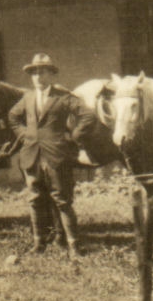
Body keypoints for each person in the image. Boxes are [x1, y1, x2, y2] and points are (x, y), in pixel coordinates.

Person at [8, 53, 96, 258]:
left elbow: (88, 115)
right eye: (35, 73)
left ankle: (73, 245)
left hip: (56, 156)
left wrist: (73, 137)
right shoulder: (28, 97)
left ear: (51, 74)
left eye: (43, 72)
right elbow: (13, 117)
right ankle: (39, 243)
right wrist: (25, 134)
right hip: (31, 156)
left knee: (62, 200)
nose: (38, 77)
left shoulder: (62, 96)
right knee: (35, 199)